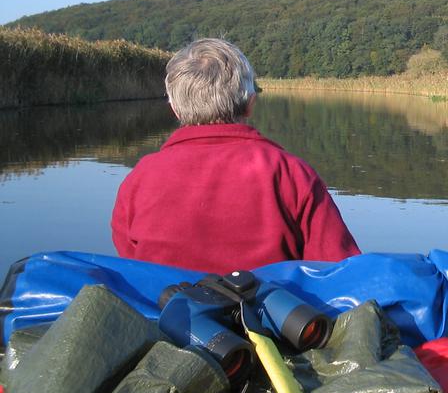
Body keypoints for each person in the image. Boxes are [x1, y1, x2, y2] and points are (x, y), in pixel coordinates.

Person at [111, 38, 360, 272]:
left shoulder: (140, 177)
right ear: (251, 103)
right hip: (265, 316)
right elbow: (340, 270)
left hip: (167, 313)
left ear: (174, 110)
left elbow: (131, 263)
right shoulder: (290, 172)